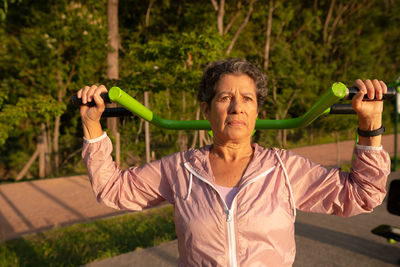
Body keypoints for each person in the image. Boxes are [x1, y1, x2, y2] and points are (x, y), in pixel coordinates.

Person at [77, 58, 390, 266]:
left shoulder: (283, 170)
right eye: (225, 98)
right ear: (207, 109)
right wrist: (93, 126)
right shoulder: (180, 170)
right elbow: (113, 189)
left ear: (257, 113)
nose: (237, 107)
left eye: (248, 99)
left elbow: (361, 194)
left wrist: (371, 126)